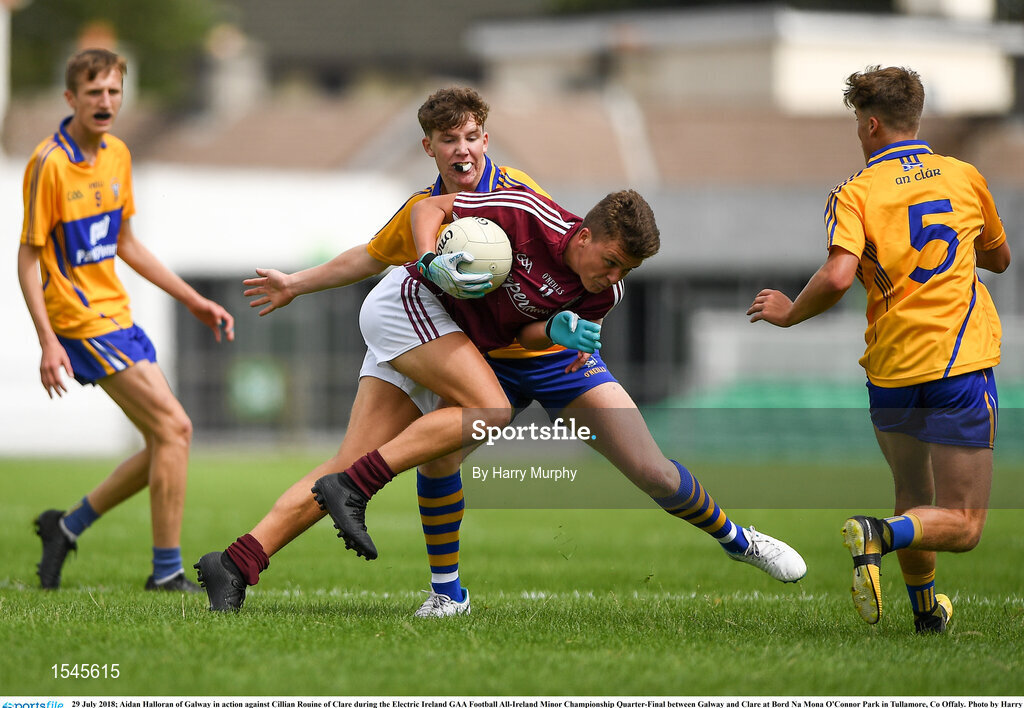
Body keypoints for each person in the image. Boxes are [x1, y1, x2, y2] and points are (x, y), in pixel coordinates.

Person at [195, 88, 806, 616]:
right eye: (447, 139)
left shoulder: (534, 215)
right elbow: (389, 243)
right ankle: (443, 592)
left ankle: (739, 539)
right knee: (436, 455)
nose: (463, 150)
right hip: (461, 344)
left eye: (471, 138)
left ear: (486, 139)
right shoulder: (458, 206)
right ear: (429, 146)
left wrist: (560, 333)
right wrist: (300, 282)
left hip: (540, 357)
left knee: (649, 469)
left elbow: (534, 329)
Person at [747, 65, 1010, 634]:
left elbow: (840, 275)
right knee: (963, 524)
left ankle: (925, 615)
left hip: (890, 368)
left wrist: (790, 312)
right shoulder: (964, 177)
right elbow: (999, 258)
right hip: (958, 361)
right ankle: (878, 536)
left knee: (915, 495)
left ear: (869, 125)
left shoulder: (854, 192)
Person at [18, 49, 235, 592]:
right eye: (94, 93)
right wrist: (48, 341)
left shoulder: (118, 154)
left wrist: (192, 299)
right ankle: (166, 574)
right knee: (177, 428)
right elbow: (28, 258)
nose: (106, 102)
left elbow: (126, 244)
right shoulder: (49, 163)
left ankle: (65, 528)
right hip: (79, 321)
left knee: (165, 441)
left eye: (114, 92)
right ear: (71, 99)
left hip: (118, 315)